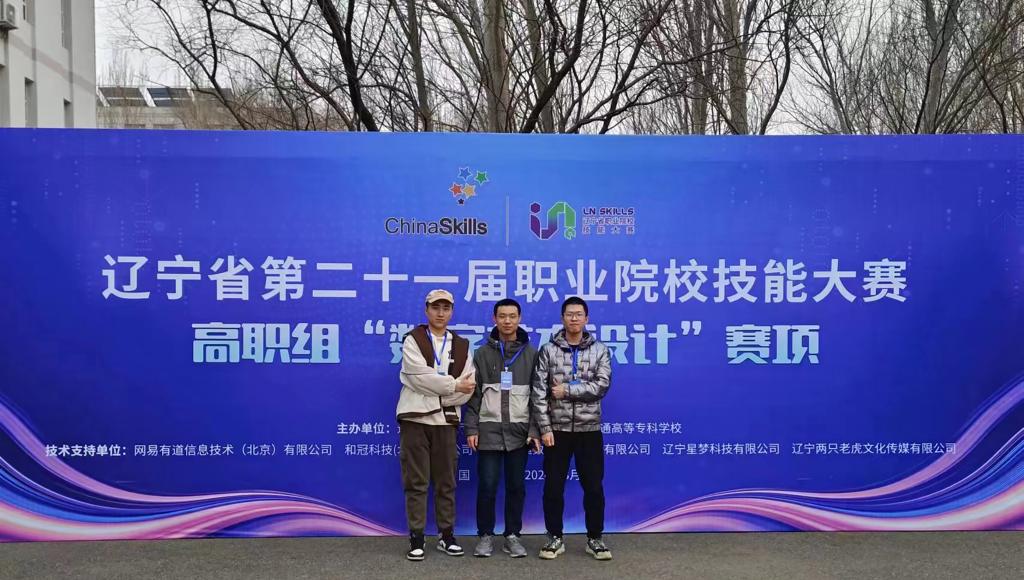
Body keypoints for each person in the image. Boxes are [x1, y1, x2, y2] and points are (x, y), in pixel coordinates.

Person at [396, 289, 476, 561]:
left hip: (446, 422)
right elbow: (417, 377)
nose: (441, 313)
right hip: (415, 419)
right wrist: (452, 386)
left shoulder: (462, 345)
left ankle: (446, 535)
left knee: (446, 482)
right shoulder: (413, 340)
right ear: (426, 310)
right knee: (416, 481)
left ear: (452, 312)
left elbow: (468, 388)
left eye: (446, 308)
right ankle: (417, 537)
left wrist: (438, 390)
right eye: (435, 307)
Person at [531, 296, 613, 561]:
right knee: (553, 487)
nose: (574, 318)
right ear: (562, 318)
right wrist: (544, 428)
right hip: (557, 430)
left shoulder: (600, 350)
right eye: (569, 314)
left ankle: (595, 538)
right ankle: (554, 537)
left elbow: (601, 386)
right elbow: (539, 393)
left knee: (594, 487)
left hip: (589, 430)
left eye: (579, 314)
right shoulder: (548, 350)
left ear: (586, 318)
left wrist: (566, 390)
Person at [464, 298, 539, 558]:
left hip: (519, 433)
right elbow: (473, 395)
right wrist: (471, 429)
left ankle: (512, 535)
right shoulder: (481, 354)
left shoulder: (532, 354)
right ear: (494, 319)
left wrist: (534, 431)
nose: (507, 321)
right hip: (489, 432)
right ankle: (485, 535)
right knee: (487, 486)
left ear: (519, 319)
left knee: (516, 487)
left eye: (512, 316)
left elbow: (538, 397)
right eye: (502, 316)